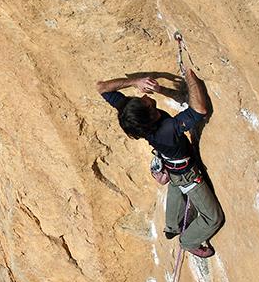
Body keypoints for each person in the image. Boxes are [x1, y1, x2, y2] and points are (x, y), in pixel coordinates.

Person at [96, 66, 224, 257]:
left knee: (175, 183)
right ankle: (189, 241)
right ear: (151, 115)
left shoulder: (133, 116)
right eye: (145, 102)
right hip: (187, 175)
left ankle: (173, 226)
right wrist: (190, 77)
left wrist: (134, 81)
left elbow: (101, 87)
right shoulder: (166, 130)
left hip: (172, 166)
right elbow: (199, 110)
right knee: (212, 218)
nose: (144, 96)